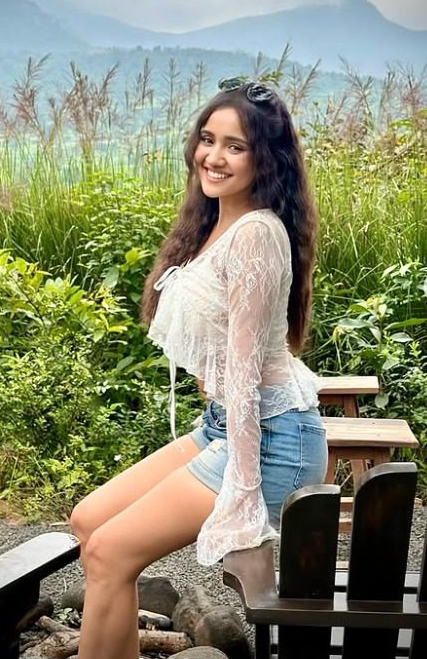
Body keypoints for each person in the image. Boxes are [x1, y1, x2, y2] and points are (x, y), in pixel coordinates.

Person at [70, 77, 328, 659]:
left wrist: (243, 492)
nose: (214, 157)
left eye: (236, 146)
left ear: (266, 159)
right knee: (89, 523)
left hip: (269, 439)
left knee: (109, 552)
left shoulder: (256, 233)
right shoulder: (213, 222)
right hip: (225, 425)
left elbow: (244, 377)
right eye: (208, 140)